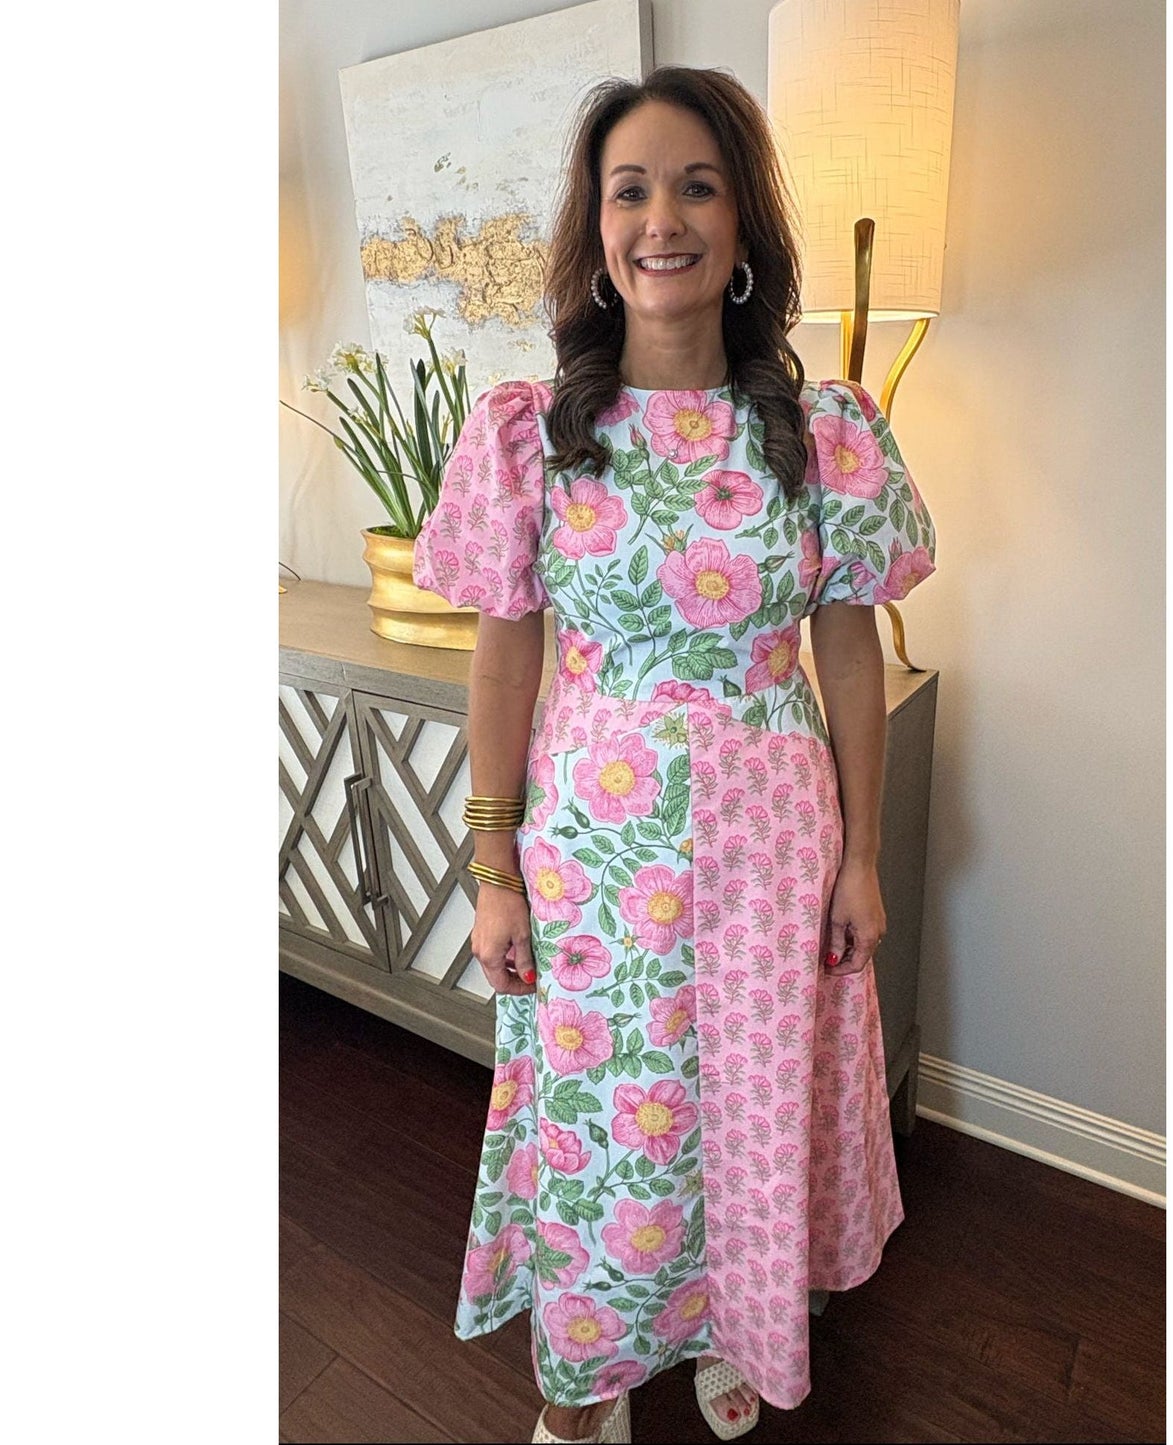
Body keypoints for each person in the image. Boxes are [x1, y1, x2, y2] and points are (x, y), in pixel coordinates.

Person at [413, 66, 938, 1445]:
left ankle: (730, 1324)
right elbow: (505, 658)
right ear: (596, 229)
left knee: (753, 1113)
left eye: (698, 186)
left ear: (743, 222)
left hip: (776, 844)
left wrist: (861, 861)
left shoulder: (820, 436)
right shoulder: (532, 438)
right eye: (630, 189)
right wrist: (493, 865)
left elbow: (848, 655)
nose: (663, 218)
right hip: (593, 855)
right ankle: (584, 1380)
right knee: (608, 1124)